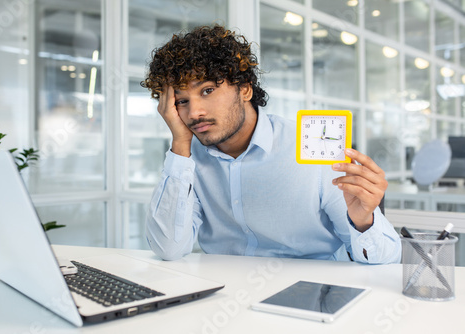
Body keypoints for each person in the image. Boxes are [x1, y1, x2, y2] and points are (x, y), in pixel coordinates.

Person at [140, 25, 401, 264]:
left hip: (310, 294)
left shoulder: (310, 147)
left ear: (244, 89)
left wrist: (364, 222)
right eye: (182, 101)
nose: (194, 112)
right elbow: (168, 249)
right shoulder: (186, 161)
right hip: (224, 296)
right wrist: (180, 144)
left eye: (207, 91)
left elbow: (385, 261)